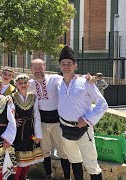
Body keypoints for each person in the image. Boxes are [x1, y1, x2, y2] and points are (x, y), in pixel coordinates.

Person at [57, 45, 108, 180]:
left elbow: (102, 105)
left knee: (91, 164)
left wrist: (86, 119)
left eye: (69, 63)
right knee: (74, 160)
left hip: (84, 129)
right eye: (63, 64)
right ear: (59, 66)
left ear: (75, 66)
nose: (66, 66)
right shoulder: (57, 84)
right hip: (66, 128)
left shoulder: (86, 83)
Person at [29, 59, 71, 180]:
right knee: (44, 151)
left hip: (57, 122)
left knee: (63, 151)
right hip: (42, 122)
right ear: (31, 69)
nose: (38, 70)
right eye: (35, 68)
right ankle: (48, 176)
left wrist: (87, 79)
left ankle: (67, 177)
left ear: (44, 67)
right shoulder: (29, 83)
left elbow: (69, 80)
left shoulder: (55, 79)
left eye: (40, 67)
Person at [12, 74, 43, 180]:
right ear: (16, 84)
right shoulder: (12, 97)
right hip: (17, 131)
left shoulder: (33, 97)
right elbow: (8, 113)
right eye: (20, 83)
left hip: (29, 129)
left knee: (29, 155)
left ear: (28, 84)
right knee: (18, 157)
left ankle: (24, 177)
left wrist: (38, 134)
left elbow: (36, 115)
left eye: (25, 83)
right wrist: (13, 121)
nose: (23, 85)